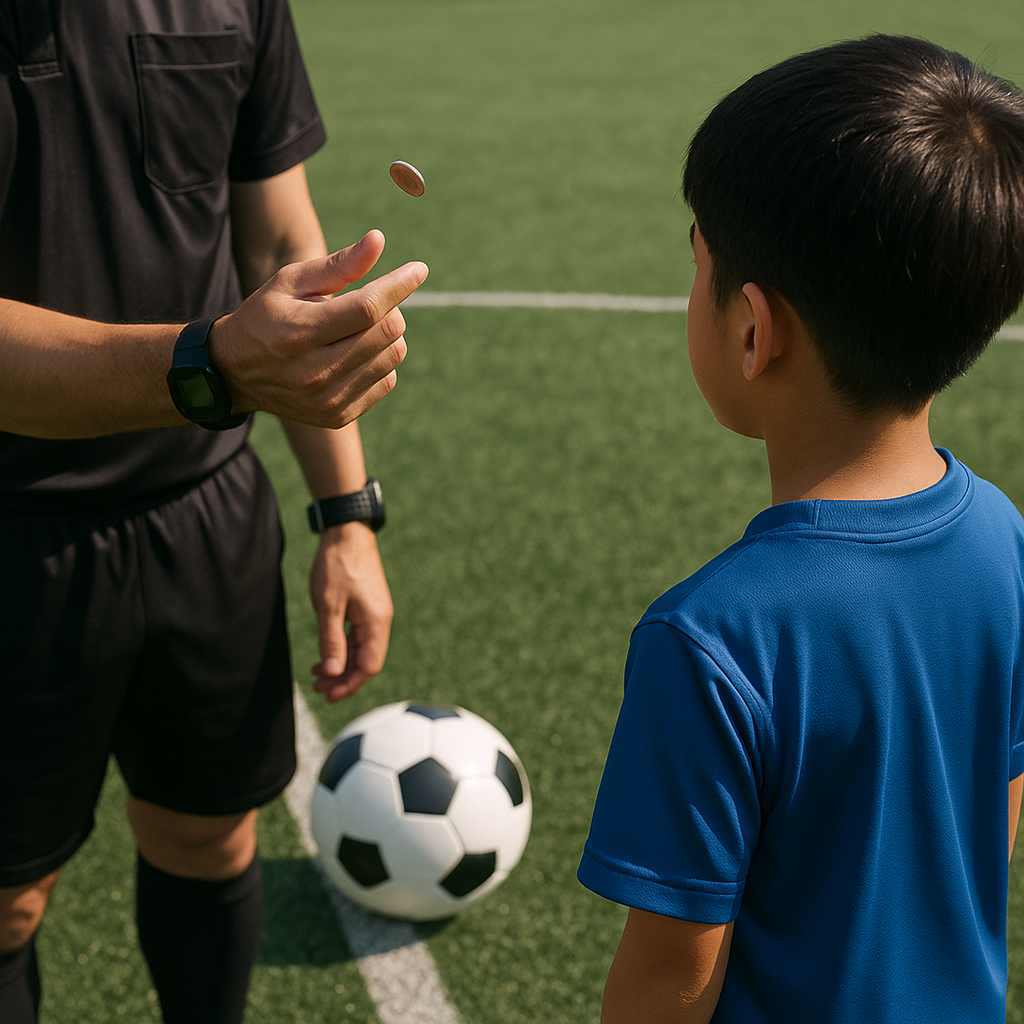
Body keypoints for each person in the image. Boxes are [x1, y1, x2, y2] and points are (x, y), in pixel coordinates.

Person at [577, 34, 1024, 1023]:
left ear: (751, 330)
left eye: (696, 268)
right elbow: (987, 816)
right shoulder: (1004, 535)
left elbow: (669, 975)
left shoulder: (710, 636)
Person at [0, 2, 427, 1022]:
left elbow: (278, 233)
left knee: (210, 837)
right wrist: (204, 366)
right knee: (8, 903)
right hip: (13, 536)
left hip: (204, 516)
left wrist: (347, 515)